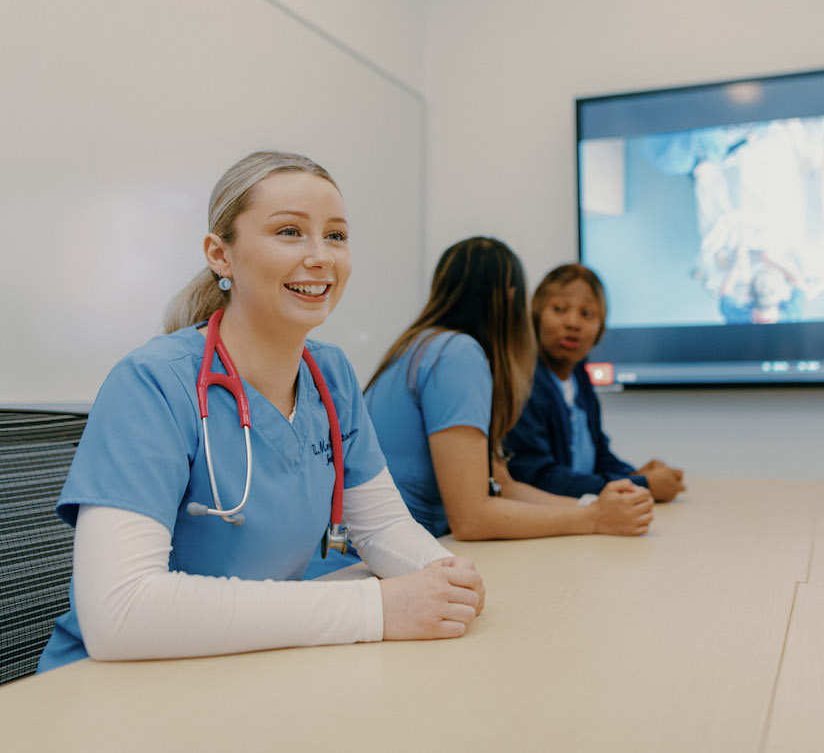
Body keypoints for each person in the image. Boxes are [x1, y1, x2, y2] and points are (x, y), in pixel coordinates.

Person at [37, 151, 485, 672]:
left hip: (247, 666)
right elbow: (120, 611)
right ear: (220, 255)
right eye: (290, 232)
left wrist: (444, 576)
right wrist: (375, 609)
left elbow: (381, 528)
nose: (321, 257)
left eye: (336, 235)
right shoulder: (152, 384)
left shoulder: (330, 375)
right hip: (118, 689)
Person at [362, 237, 654, 543]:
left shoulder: (419, 346)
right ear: (512, 298)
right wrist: (593, 518)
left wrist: (596, 508)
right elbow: (471, 519)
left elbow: (505, 485)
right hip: (387, 557)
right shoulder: (457, 354)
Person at [505, 263, 685, 503]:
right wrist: (645, 485)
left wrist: (631, 474)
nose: (573, 323)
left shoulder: (580, 376)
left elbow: (599, 456)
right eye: (559, 309)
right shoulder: (524, 383)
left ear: (600, 328)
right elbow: (538, 478)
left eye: (587, 314)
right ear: (536, 316)